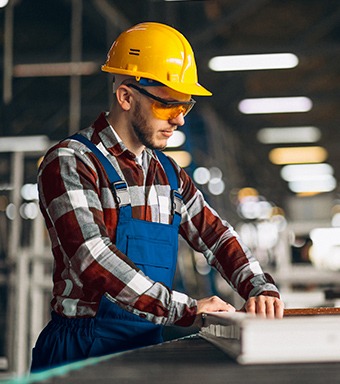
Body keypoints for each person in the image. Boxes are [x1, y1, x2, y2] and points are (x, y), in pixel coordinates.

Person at [30, 21, 284, 372]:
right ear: (126, 96)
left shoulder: (169, 174)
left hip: (146, 345)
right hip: (81, 349)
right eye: (168, 106)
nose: (179, 120)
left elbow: (216, 234)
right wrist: (186, 309)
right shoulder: (72, 161)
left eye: (185, 106)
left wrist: (259, 287)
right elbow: (92, 258)